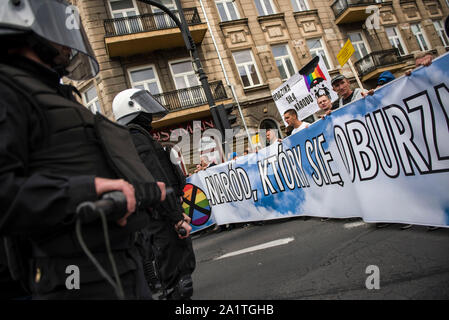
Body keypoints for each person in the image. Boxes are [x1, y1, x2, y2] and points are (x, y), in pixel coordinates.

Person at [0, 0, 166, 299]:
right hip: (71, 276)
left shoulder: (55, 92)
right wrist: (85, 191)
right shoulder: (8, 91)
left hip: (118, 260)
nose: (65, 43)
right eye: (51, 25)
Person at [112, 88, 195, 300]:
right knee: (178, 280)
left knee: (176, 275)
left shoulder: (133, 137)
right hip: (160, 217)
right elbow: (156, 180)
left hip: (158, 214)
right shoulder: (135, 137)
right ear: (131, 108)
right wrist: (176, 217)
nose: (149, 113)